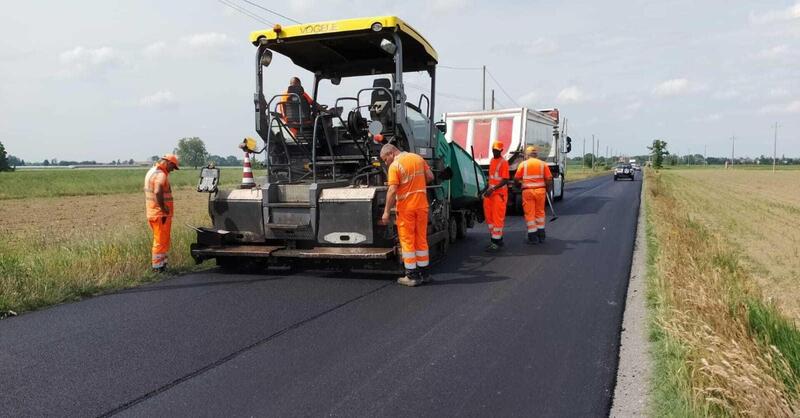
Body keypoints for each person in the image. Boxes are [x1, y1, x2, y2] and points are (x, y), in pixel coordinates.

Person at [379, 144, 434, 287]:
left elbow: (392, 190)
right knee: (421, 239)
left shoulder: (395, 166)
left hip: (406, 208)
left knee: (407, 241)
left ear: (391, 153)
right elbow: (430, 176)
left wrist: (386, 212)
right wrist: (417, 185)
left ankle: (412, 276)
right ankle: (425, 274)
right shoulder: (418, 158)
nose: (386, 163)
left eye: (385, 159)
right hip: (422, 206)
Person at [144, 154, 179, 272]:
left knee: (161, 240)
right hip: (161, 215)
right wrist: (163, 208)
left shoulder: (151, 172)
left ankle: (162, 264)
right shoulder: (161, 175)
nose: (172, 170)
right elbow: (158, 191)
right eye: (173, 167)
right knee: (160, 241)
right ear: (168, 163)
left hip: (153, 212)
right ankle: (158, 268)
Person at [514, 146, 553, 245]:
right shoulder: (543, 164)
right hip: (540, 191)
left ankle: (533, 237)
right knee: (540, 212)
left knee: (530, 213)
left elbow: (516, 178)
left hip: (527, 192)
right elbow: (549, 179)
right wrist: (547, 190)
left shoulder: (523, 164)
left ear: (527, 155)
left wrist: (517, 185)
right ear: (536, 154)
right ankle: (541, 235)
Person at [483, 141, 510, 252]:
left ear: (501, 150)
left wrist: (493, 189)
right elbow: (492, 178)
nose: (495, 152)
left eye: (497, 151)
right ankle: (498, 239)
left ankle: (495, 243)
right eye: (494, 150)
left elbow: (505, 179)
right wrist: (486, 189)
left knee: (497, 218)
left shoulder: (504, 162)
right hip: (491, 194)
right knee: (490, 218)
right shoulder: (492, 161)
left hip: (499, 195)